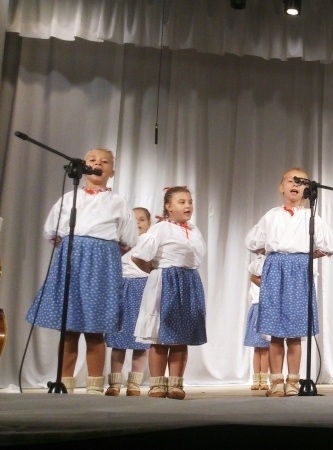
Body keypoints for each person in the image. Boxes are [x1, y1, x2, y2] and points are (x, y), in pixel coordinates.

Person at [26, 148, 138, 394]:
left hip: (102, 267)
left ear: (112, 171)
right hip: (72, 262)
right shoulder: (69, 197)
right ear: (83, 166)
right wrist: (74, 247)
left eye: (105, 161)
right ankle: (64, 384)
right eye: (92, 160)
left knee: (95, 329)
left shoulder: (117, 202)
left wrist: (101, 253)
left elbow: (129, 238)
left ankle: (95, 386)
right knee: (69, 329)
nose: (98, 164)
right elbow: (52, 231)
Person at [245, 168, 333, 397]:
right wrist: (273, 254)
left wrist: (307, 255)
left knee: (296, 333)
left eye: (300, 181)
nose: (295, 184)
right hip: (276, 271)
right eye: (291, 180)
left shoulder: (310, 216)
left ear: (306, 189)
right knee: (277, 332)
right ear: (282, 186)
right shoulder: (272, 215)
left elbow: (332, 244)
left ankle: (293, 381)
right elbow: (253, 241)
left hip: (299, 272)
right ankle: (276, 381)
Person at [132, 186, 207, 400]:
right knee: (160, 337)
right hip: (166, 282)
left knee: (181, 337)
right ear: (168, 206)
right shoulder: (161, 228)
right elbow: (139, 256)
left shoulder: (193, 229)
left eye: (190, 202)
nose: (188, 206)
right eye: (182, 202)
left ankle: (175, 384)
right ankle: (157, 384)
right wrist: (155, 272)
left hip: (189, 281)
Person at [104, 207, 153, 396]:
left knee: (140, 340)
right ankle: (114, 383)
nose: (138, 223)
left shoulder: (150, 242)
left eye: (142, 219)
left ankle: (134, 384)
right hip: (120, 287)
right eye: (133, 220)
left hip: (142, 288)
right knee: (119, 339)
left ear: (149, 224)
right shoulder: (119, 242)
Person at [245, 254, 271, 391]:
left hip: (266, 309)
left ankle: (264, 380)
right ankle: (256, 379)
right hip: (257, 309)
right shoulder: (257, 266)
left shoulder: (270, 278)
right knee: (257, 348)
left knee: (266, 349)